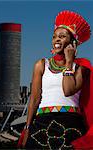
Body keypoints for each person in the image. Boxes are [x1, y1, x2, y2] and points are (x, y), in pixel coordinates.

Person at [18, 10, 93, 149]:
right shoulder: (41, 64)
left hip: (70, 123)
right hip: (42, 121)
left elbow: (68, 90)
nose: (57, 39)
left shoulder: (81, 67)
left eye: (62, 36)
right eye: (54, 36)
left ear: (73, 42)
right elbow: (34, 99)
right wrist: (27, 127)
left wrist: (69, 62)